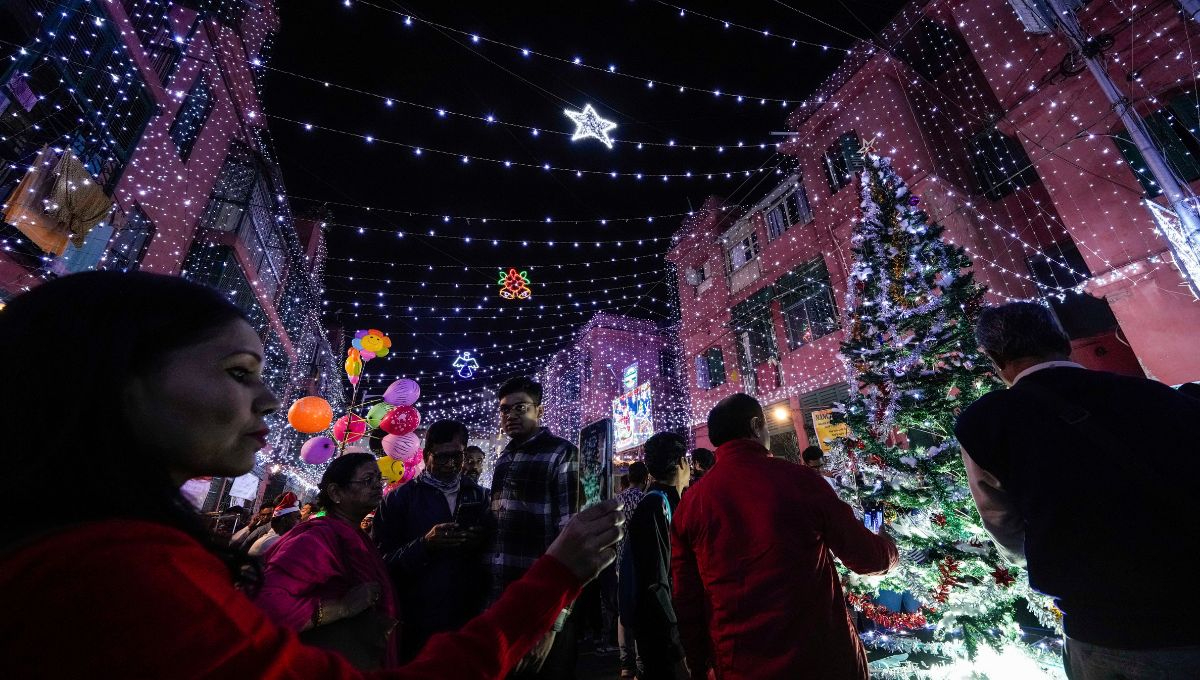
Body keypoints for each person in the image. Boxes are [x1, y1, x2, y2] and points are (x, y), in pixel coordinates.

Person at [0, 271, 626, 678]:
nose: (270, 401)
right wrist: (553, 580)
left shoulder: (100, 545)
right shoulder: (121, 574)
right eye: (240, 372)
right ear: (121, 377)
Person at [955, 302, 1200, 677]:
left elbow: (1004, 527)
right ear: (1063, 341)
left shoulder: (985, 423)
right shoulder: (1157, 396)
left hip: (1102, 625)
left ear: (994, 358)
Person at [672, 394, 899, 680]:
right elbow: (867, 556)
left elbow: (686, 600)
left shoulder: (691, 504)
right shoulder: (800, 481)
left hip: (739, 664)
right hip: (820, 659)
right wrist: (889, 544)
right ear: (756, 426)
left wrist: (700, 664)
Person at [255, 454, 395, 668]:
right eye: (368, 480)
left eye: (379, 479)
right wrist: (341, 608)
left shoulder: (354, 535)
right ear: (335, 492)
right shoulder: (317, 539)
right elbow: (268, 604)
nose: (378, 486)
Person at [374, 420, 492, 662]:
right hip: (417, 620)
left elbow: (495, 552)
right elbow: (381, 564)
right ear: (427, 455)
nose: (450, 464)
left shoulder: (480, 496)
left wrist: (479, 540)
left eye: (457, 457)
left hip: (468, 615)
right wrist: (424, 545)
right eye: (441, 457)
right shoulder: (399, 499)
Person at [489, 376, 581, 679]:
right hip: (503, 595)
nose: (510, 416)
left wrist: (558, 615)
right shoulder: (505, 457)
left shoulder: (561, 453)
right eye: (504, 410)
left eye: (520, 408)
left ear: (538, 411)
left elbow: (571, 534)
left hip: (542, 600)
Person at [628, 434, 690, 679]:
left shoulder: (667, 502)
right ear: (682, 463)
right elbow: (657, 581)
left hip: (667, 627)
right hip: (663, 634)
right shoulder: (657, 505)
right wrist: (676, 647)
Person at [615, 462, 649, 678]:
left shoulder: (617, 499)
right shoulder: (644, 499)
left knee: (623, 611)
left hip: (619, 563)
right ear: (645, 478)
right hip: (638, 562)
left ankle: (625, 662)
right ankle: (640, 661)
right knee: (640, 611)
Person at [248, 492, 302, 557]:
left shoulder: (281, 540)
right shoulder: (268, 543)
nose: (301, 521)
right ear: (284, 521)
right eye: (298, 517)